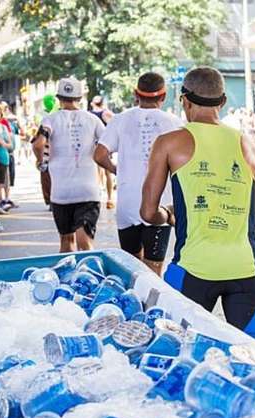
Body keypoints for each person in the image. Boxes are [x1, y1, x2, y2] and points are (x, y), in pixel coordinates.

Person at [140, 67, 255, 330]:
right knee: (249, 360)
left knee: (180, 355)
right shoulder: (250, 145)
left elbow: (148, 213)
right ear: (223, 102)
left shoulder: (168, 143)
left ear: (184, 101)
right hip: (247, 270)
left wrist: (169, 215)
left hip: (193, 269)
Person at [94, 72, 183, 275]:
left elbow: (99, 155)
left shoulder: (120, 119)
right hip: (160, 205)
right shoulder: (174, 122)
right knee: (154, 269)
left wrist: (118, 171)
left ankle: (134, 303)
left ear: (136, 94)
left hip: (127, 203)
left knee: (132, 267)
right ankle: (151, 306)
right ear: (163, 96)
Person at [32, 78, 105, 253]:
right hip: (88, 191)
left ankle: (67, 279)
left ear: (59, 97)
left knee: (66, 242)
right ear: (80, 97)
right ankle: (89, 276)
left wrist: (41, 161)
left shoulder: (50, 120)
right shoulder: (92, 120)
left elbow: (38, 144)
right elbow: (106, 146)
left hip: (61, 193)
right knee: (86, 244)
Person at [90, 95, 116, 210]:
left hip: (96, 145)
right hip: (105, 145)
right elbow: (114, 125)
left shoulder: (91, 114)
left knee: (98, 171)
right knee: (107, 172)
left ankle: (100, 195)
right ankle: (109, 198)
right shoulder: (106, 113)